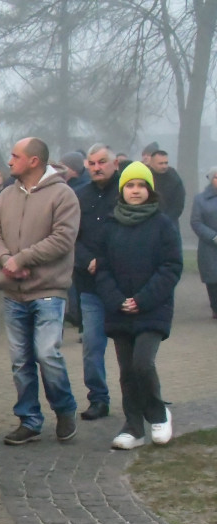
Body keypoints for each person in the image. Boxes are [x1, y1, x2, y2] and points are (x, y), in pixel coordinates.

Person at [0, 137, 80, 445]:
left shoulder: (63, 196)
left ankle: (65, 409)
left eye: (16, 156)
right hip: (13, 293)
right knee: (20, 361)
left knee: (46, 354)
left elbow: (62, 239)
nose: (9, 162)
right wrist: (5, 261)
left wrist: (22, 259)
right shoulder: (4, 197)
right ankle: (29, 419)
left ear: (34, 161)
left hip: (48, 291)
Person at [96, 162, 182, 449]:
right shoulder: (110, 224)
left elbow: (171, 267)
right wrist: (118, 300)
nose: (135, 191)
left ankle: (158, 414)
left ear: (149, 190)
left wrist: (142, 300)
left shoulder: (163, 224)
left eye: (141, 186)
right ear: (122, 190)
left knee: (143, 364)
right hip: (119, 309)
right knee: (127, 371)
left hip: (152, 308)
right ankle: (133, 427)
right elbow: (103, 268)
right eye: (130, 185)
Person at [74, 144, 121, 421]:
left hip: (123, 283)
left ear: (114, 163)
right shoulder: (79, 196)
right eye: (91, 163)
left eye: (102, 161)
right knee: (92, 345)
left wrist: (104, 261)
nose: (96, 167)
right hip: (90, 285)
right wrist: (87, 260)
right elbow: (70, 236)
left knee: (132, 346)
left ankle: (141, 392)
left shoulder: (126, 192)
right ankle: (98, 398)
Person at [190, 167, 217, 318]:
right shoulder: (200, 199)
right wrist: (213, 237)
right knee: (213, 280)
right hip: (210, 247)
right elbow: (196, 222)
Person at [146, 150, 186, 223]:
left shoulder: (174, 178)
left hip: (170, 221)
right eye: (160, 163)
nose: (164, 166)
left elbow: (178, 203)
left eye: (166, 163)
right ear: (151, 163)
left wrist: (166, 221)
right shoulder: (144, 177)